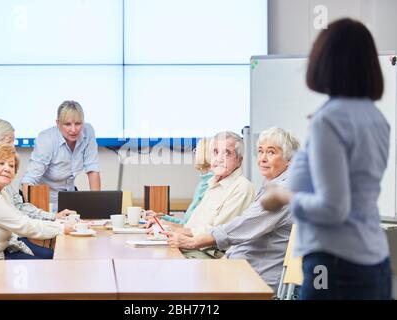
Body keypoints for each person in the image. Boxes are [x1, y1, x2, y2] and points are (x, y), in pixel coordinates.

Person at [262, 19, 392, 299]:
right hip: (375, 262)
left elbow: (333, 208)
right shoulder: (376, 118)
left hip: (333, 264)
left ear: (325, 62)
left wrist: (283, 197)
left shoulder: (330, 120)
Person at [166, 128, 300, 291]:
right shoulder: (272, 185)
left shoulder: (283, 190)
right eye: (260, 151)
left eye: (271, 153)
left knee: (174, 281)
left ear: (289, 160)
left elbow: (242, 227)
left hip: (256, 279)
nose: (262, 159)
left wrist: (193, 241)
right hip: (240, 270)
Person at [0, 118, 73, 260]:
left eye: (11, 166)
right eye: (1, 163)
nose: (7, 168)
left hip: (0, 248)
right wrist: (61, 227)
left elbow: (18, 211)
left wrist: (56, 221)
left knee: (57, 258)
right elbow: (21, 223)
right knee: (55, 262)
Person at [158, 131, 255, 259]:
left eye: (226, 153)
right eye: (215, 152)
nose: (219, 159)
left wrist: (176, 230)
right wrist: (165, 226)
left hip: (209, 255)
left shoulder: (242, 187)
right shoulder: (213, 184)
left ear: (239, 160)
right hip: (191, 248)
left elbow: (216, 234)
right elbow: (191, 227)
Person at [21, 101, 101, 212]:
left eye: (78, 123)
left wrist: (97, 206)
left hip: (71, 200)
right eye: (67, 124)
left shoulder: (88, 132)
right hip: (45, 203)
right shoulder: (46, 139)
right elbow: (29, 180)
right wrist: (32, 212)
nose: (74, 130)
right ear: (58, 123)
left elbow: (92, 169)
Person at [146, 137, 214, 225]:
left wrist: (164, 223)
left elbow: (192, 228)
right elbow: (187, 223)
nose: (195, 153)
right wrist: (162, 217)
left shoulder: (211, 185)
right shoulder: (203, 183)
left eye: (196, 150)